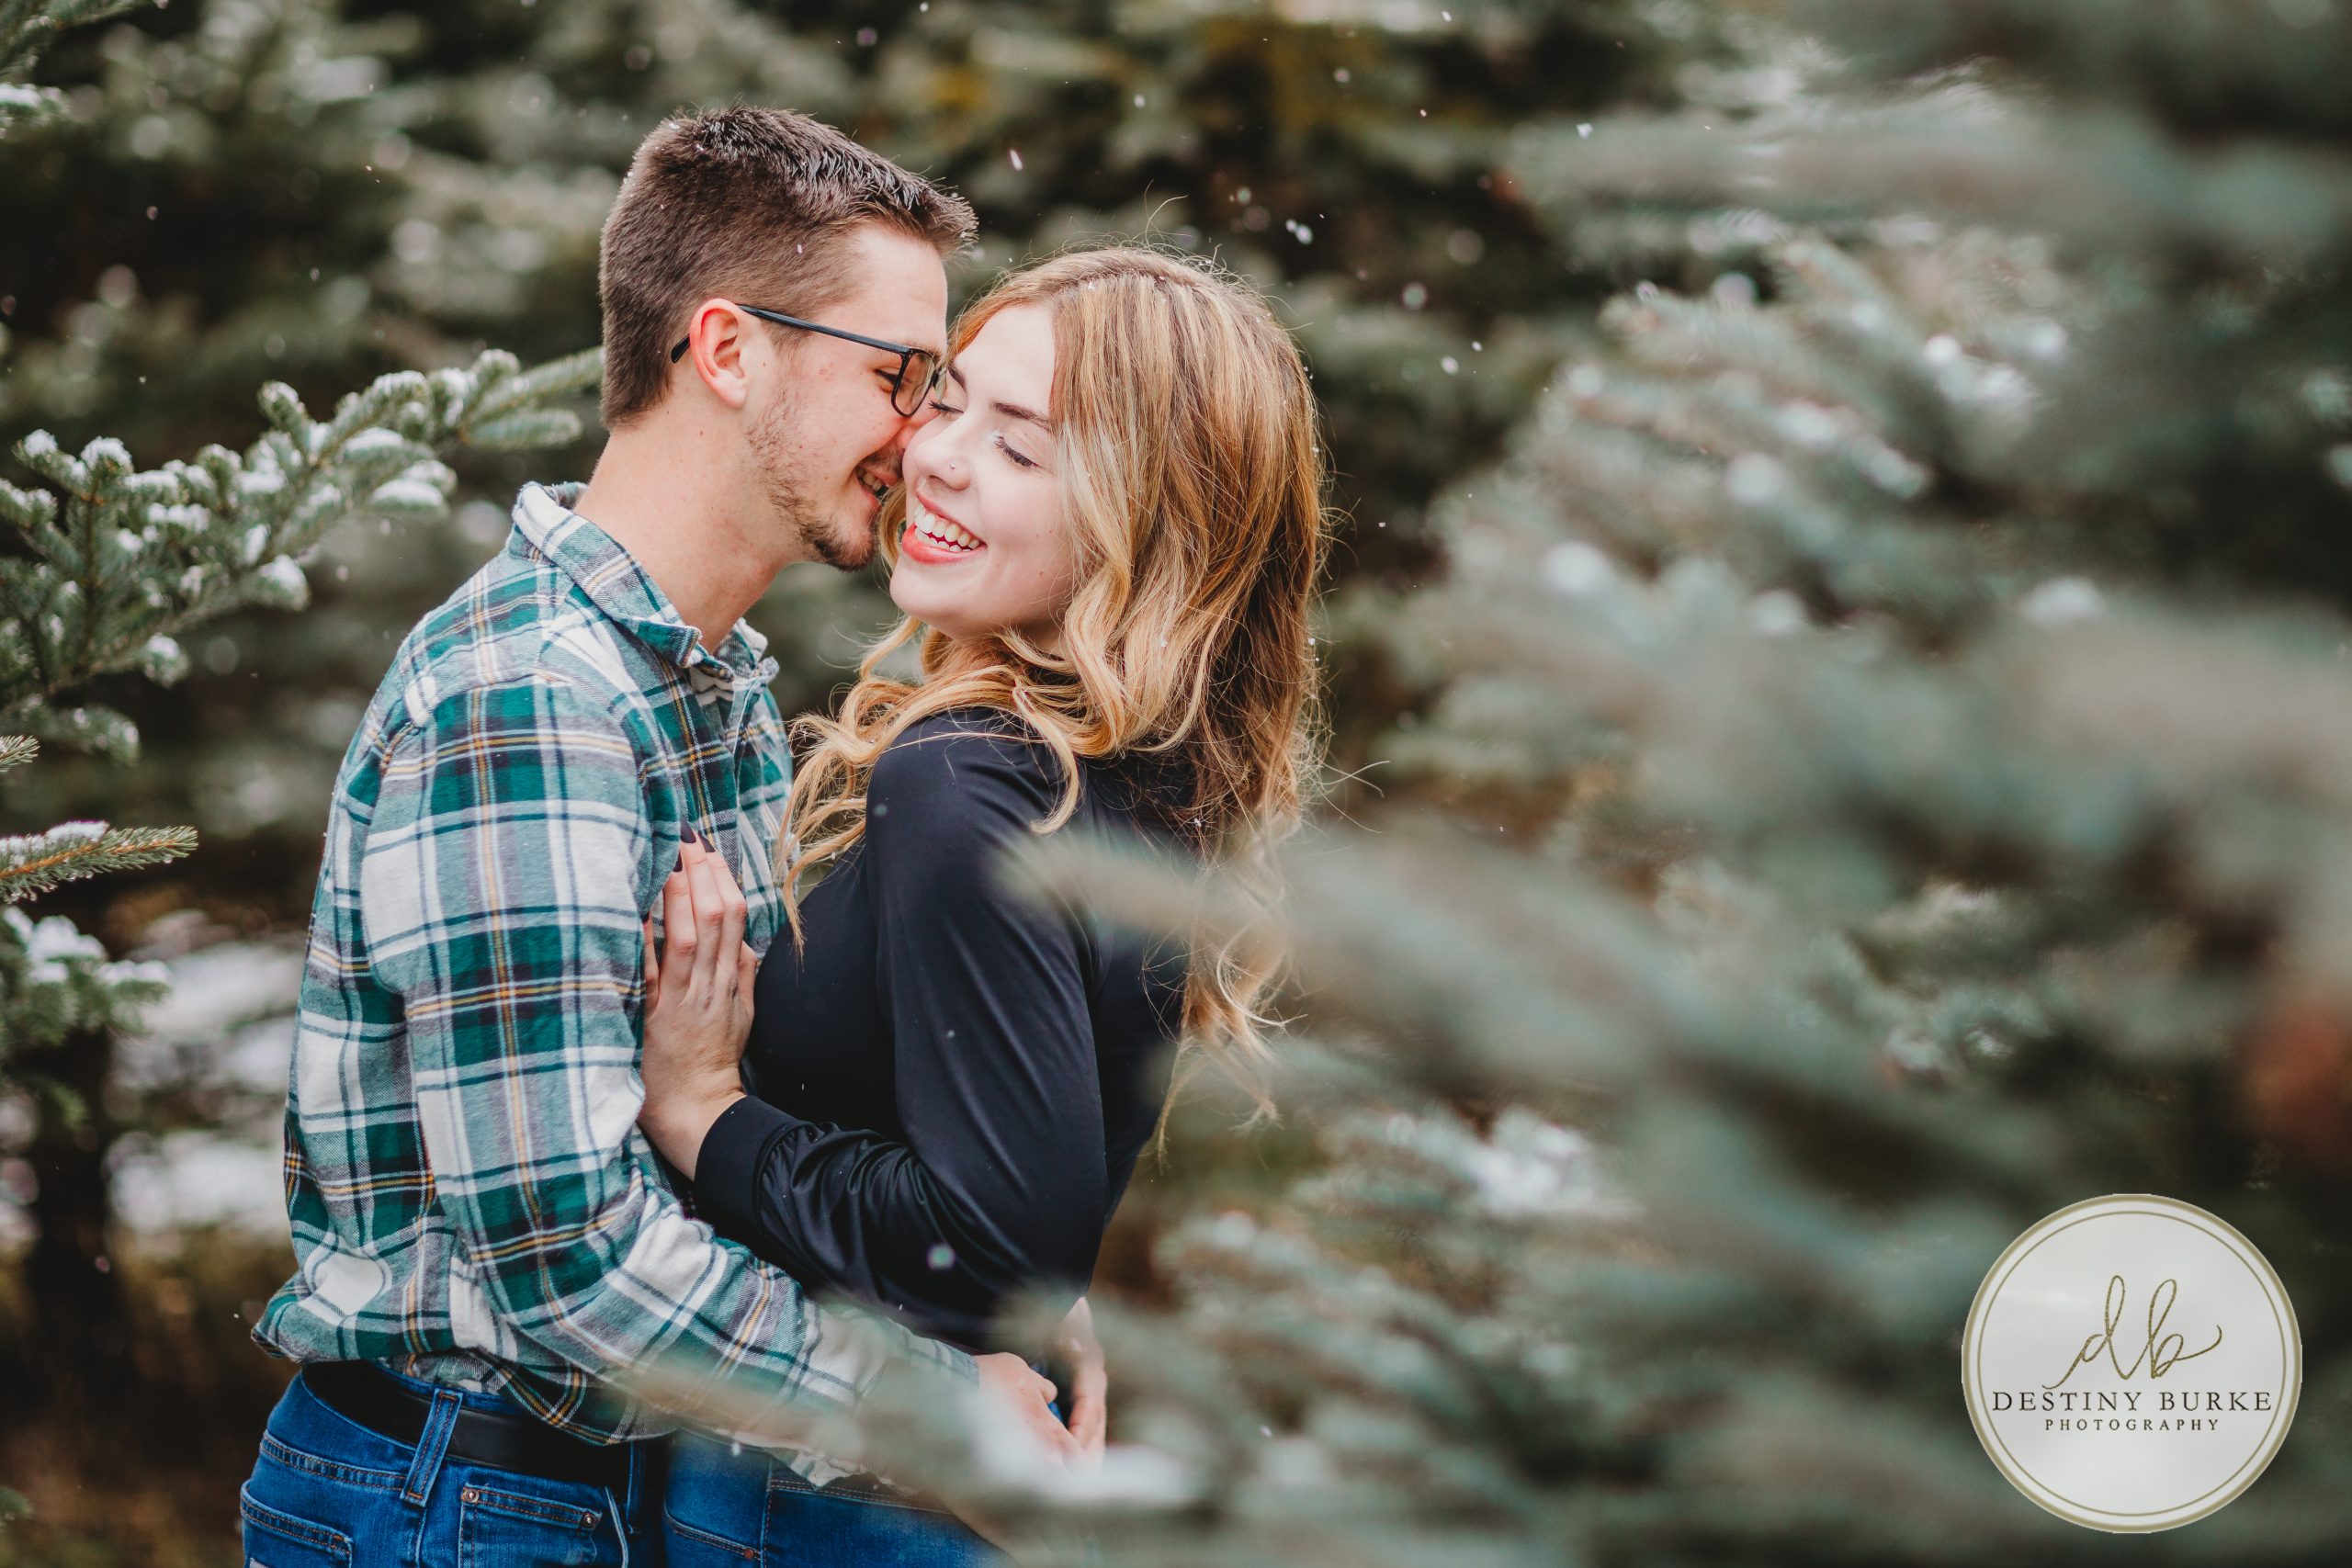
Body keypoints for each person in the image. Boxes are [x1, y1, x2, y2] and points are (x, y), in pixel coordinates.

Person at [240, 107, 1091, 1568]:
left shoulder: (711, 689)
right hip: (461, 1501)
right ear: (729, 349)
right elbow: (568, 1264)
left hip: (599, 1490)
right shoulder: (533, 708)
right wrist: (942, 1413)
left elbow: (704, 1128)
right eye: (902, 375)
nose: (923, 434)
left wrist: (979, 1293)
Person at [632, 246, 1331, 1566]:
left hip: (828, 1509)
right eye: (948, 401)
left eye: (1023, 448)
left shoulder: (966, 780)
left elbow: (994, 1240)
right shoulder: (1135, 782)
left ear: (1151, 524)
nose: (938, 459)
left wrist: (707, 1117)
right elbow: (1032, 1189)